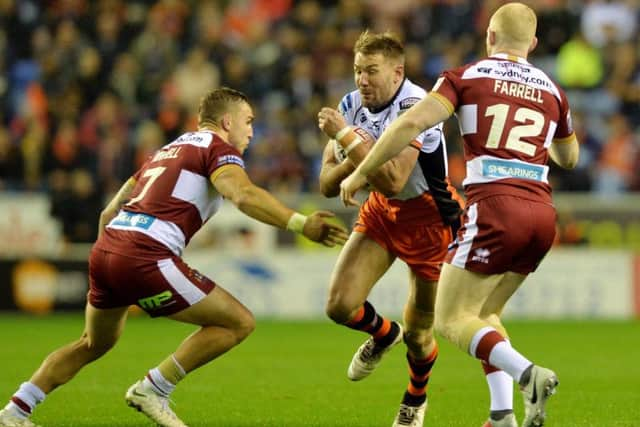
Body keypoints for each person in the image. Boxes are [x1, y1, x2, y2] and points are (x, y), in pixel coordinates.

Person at [0, 87, 349, 427]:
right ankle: (153, 389)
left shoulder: (167, 149)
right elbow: (242, 194)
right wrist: (301, 224)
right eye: (248, 121)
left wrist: (114, 257)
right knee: (238, 322)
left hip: (108, 247)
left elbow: (109, 212)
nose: (252, 132)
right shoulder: (216, 147)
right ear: (226, 122)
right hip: (145, 253)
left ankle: (16, 410)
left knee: (93, 342)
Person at [339, 4, 580, 427]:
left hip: (494, 207)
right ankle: (501, 415)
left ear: (489, 37)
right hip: (541, 214)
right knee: (485, 316)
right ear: (534, 44)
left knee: (451, 321)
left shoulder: (466, 77)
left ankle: (529, 375)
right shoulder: (552, 90)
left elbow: (409, 125)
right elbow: (570, 156)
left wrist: (360, 170)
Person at [317, 30, 463, 427]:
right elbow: (327, 184)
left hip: (431, 219)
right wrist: (355, 152)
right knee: (338, 306)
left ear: (397, 72)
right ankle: (383, 335)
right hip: (383, 212)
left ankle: (415, 400)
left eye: (371, 71)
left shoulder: (417, 106)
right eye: (357, 71)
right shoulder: (351, 104)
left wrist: (349, 139)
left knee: (420, 336)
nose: (362, 80)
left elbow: (395, 178)